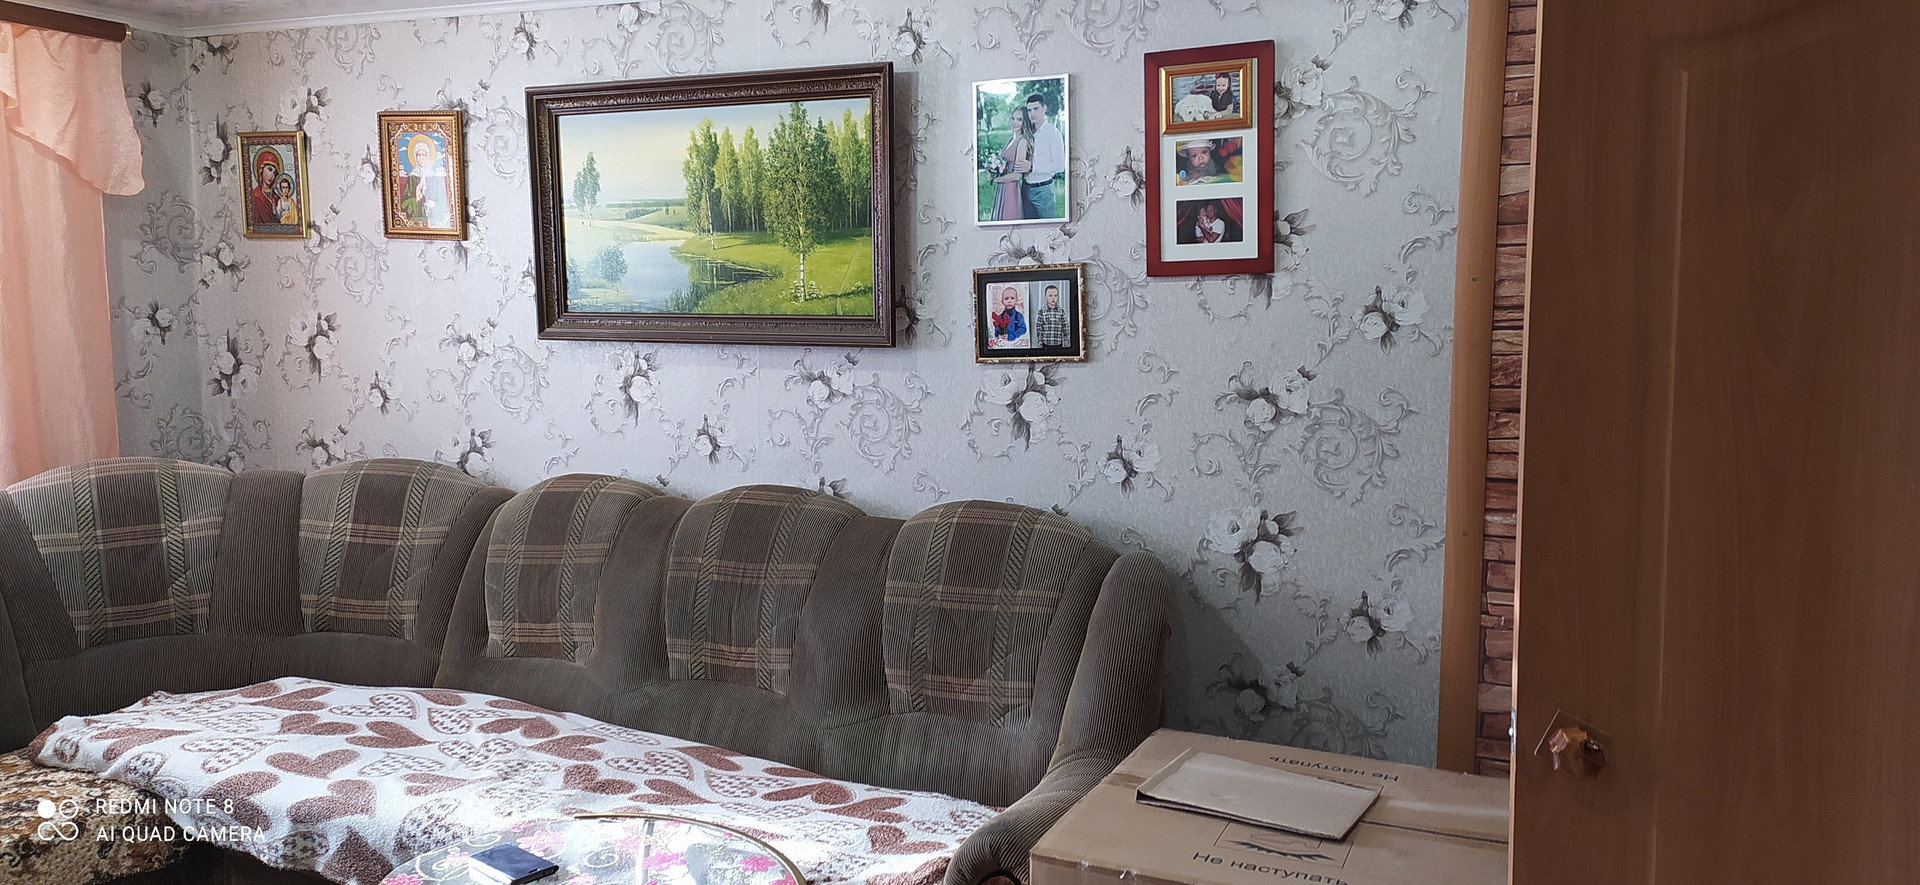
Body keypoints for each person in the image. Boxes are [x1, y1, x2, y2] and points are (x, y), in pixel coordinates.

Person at [1015, 93, 1065, 220]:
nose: (1032, 113)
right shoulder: (1027, 132)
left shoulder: (1053, 133)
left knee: (1047, 227)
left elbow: (1060, 165)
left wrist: (1032, 167)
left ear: (1044, 108)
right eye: (1029, 110)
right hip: (1025, 189)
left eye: (1036, 109)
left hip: (1043, 190)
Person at [397, 133, 451, 228]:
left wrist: (434, 204)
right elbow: (403, 205)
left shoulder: (433, 177)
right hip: (416, 220)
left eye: (424, 155)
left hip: (433, 220)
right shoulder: (412, 177)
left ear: (428, 157)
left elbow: (444, 203)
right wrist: (416, 200)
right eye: (419, 155)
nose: (421, 158)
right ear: (415, 157)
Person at [989, 109, 1031, 221]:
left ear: (1024, 122)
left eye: (1019, 119)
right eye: (1013, 118)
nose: (1015, 122)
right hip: (1003, 186)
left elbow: (1017, 175)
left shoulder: (1022, 141)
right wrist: (993, 172)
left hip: (1010, 188)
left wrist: (996, 180)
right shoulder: (1010, 140)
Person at [248, 149, 281, 226]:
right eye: (269, 169)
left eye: (274, 173)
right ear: (261, 170)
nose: (272, 175)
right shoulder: (254, 196)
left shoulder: (277, 198)